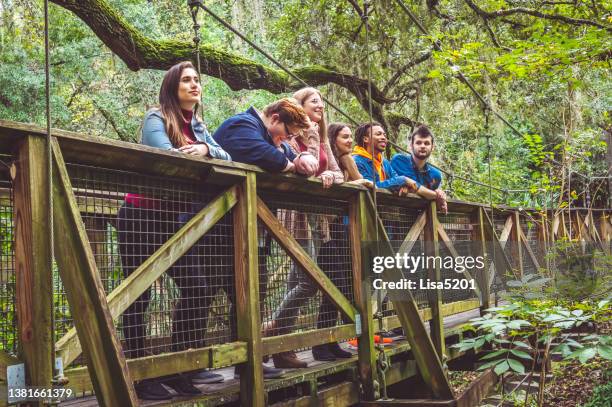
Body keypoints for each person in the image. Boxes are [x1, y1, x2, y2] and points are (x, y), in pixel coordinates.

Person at [117, 61, 231, 400]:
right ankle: (140, 376)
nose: (194, 85)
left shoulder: (197, 124)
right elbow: (166, 157)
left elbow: (226, 154)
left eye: (197, 80)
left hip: (173, 221)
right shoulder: (157, 117)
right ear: (172, 86)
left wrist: (207, 148)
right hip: (140, 216)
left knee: (197, 286)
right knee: (140, 295)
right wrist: (196, 156)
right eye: (186, 80)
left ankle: (181, 366)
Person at [213, 97, 317, 377]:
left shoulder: (273, 139)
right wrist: (290, 163)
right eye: (288, 132)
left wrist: (301, 157)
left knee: (250, 296)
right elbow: (263, 155)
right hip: (220, 228)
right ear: (273, 118)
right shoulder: (242, 124)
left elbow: (290, 156)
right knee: (205, 293)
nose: (289, 139)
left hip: (251, 231)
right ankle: (188, 369)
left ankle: (248, 364)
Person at [263, 88, 344, 369]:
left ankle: (280, 348)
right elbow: (305, 167)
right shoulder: (293, 136)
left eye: (322, 104)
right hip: (296, 214)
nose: (320, 107)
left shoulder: (322, 139)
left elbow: (337, 172)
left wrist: (329, 176)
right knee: (309, 281)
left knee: (296, 281)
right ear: (299, 107)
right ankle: (272, 329)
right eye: (314, 103)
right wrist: (310, 133)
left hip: (317, 219)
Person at [310, 123, 372, 361]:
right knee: (333, 285)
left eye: (350, 137)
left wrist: (349, 162)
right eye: (345, 137)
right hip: (322, 230)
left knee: (338, 288)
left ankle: (331, 341)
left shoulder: (344, 161)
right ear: (332, 138)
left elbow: (364, 184)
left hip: (340, 230)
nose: (349, 141)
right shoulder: (323, 159)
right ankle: (320, 344)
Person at [391, 125, 447, 213]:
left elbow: (419, 191)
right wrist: (437, 195)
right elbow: (413, 186)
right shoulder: (400, 160)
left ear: (432, 148)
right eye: (418, 142)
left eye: (427, 143)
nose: (423, 146)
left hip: (423, 219)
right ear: (411, 146)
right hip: (396, 215)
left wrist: (439, 193)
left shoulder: (436, 175)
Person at [352, 122, 417, 194]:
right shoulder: (356, 161)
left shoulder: (385, 162)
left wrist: (403, 186)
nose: (383, 138)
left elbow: (395, 178)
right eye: (378, 134)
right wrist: (403, 180)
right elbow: (370, 185)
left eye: (384, 135)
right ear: (365, 139)